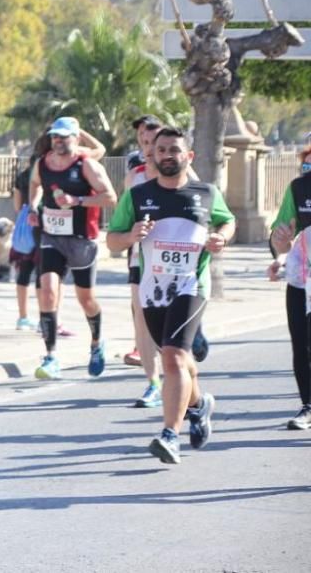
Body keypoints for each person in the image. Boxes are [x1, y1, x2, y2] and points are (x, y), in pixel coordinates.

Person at [107, 127, 235, 464]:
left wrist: (221, 237)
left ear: (188, 156)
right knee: (177, 359)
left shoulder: (205, 193)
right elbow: (112, 240)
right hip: (153, 288)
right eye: (161, 149)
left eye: (174, 150)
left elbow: (227, 221)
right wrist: (131, 235)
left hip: (192, 284)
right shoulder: (137, 195)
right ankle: (198, 405)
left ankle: (169, 435)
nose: (167, 155)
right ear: (153, 155)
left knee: (174, 357)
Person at [28, 117, 117, 379]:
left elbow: (110, 198)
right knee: (48, 291)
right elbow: (34, 185)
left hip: (81, 238)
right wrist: (33, 206)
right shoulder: (43, 164)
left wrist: (77, 200)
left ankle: (97, 342)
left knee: (85, 300)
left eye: (64, 137)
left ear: (75, 139)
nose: (58, 141)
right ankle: (51, 356)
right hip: (51, 236)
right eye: (55, 136)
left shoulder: (87, 165)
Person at [120, 117, 164, 408]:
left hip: (177, 261)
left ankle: (194, 332)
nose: (149, 149)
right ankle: (153, 384)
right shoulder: (134, 177)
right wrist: (128, 234)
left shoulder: (182, 173)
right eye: (144, 142)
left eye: (154, 143)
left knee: (168, 317)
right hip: (140, 255)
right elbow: (122, 219)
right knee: (141, 315)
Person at [268, 145, 311, 430]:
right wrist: (280, 251)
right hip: (302, 279)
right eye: (306, 165)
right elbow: (281, 235)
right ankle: (307, 406)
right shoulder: (298, 189)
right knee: (302, 343)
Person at [11, 154, 39, 331]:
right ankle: (47, 316)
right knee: (45, 274)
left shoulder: (21, 177)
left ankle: (23, 317)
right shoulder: (50, 172)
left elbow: (17, 206)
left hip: (25, 225)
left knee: (24, 273)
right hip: (44, 224)